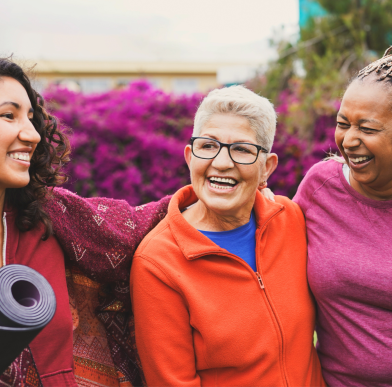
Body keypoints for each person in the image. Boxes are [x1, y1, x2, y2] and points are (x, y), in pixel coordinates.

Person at [0, 53, 170, 387]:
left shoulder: (47, 217)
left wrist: (206, 195)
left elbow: (131, 228)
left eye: (31, 118)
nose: (31, 135)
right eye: (8, 115)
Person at [130, 86, 325, 386]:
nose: (221, 163)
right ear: (189, 157)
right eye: (208, 146)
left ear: (267, 168)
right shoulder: (158, 262)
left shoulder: (290, 218)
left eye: (242, 150)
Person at [262, 47, 392, 386]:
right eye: (343, 124)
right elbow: (262, 236)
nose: (348, 140)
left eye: (367, 128)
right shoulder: (321, 187)